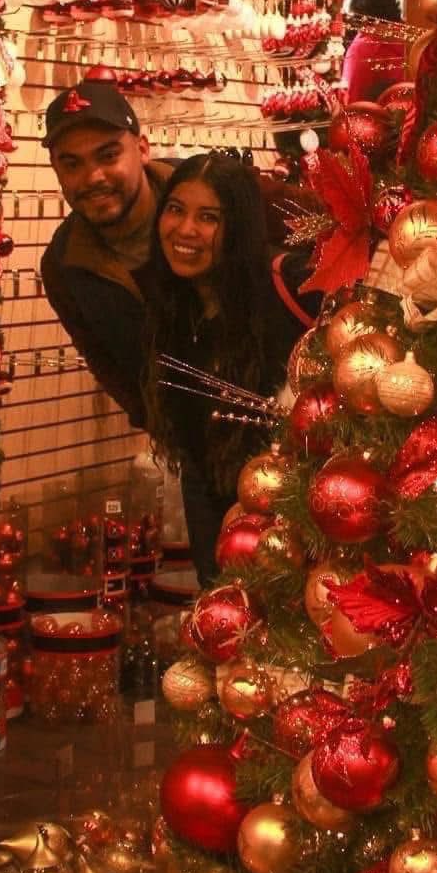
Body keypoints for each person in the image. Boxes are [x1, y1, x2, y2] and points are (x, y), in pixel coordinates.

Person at [143, 152, 308, 584]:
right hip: (225, 521)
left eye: (208, 217)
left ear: (238, 227)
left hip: (305, 526)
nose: (185, 230)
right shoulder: (177, 309)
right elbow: (198, 461)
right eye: (175, 209)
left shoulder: (288, 283)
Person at [39, 79, 174, 426]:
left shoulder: (211, 191)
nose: (93, 177)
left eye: (108, 155)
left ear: (142, 149)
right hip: (191, 443)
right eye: (72, 164)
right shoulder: (63, 265)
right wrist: (155, 422)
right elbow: (106, 364)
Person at [341, 0, 405, 102]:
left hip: (372, 113)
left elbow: (351, 98)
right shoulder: (407, 36)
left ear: (358, 8)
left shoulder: (364, 47)